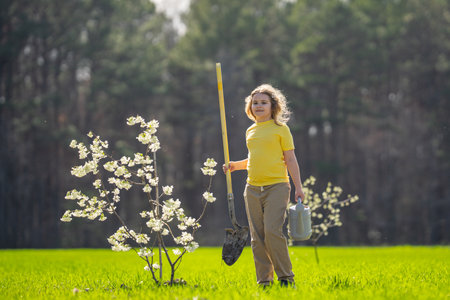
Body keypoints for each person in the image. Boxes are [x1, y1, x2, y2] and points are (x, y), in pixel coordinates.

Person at [223, 84, 304, 287]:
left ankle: (286, 278)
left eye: (263, 102)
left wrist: (299, 187)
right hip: (252, 189)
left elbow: (290, 159)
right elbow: (254, 159)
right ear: (250, 106)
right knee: (256, 238)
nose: (259, 106)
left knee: (272, 232)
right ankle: (264, 281)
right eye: (255, 102)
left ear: (273, 106)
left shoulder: (280, 129)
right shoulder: (250, 130)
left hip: (277, 186)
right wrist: (235, 166)